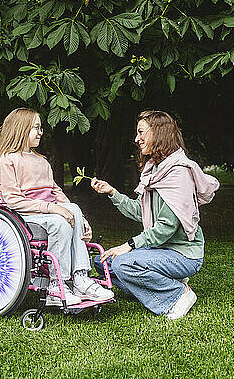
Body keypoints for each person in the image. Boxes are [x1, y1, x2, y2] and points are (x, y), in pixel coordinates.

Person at [91, 110, 219, 319]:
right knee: (102, 263)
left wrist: (128, 246)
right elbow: (143, 212)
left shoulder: (177, 173)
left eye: (141, 132)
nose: (137, 139)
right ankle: (158, 284)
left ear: (159, 133)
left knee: (122, 263)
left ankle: (178, 294)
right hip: (160, 251)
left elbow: (166, 227)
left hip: (183, 255)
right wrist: (112, 193)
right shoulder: (156, 169)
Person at [0, 107, 114, 307]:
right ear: (19, 129)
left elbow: (55, 190)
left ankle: (80, 277)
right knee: (59, 221)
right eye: (36, 128)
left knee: (73, 208)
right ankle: (58, 283)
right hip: (21, 216)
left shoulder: (41, 161)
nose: (40, 133)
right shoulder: (7, 159)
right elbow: (13, 200)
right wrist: (51, 208)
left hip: (45, 212)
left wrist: (81, 221)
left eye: (41, 128)